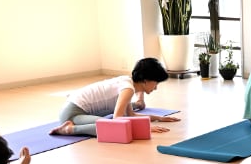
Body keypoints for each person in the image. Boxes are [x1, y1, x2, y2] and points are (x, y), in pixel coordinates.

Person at [50, 58, 180, 136]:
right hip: (72, 113)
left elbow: (130, 115)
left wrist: (158, 118)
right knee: (115, 127)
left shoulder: (128, 83)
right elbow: (117, 119)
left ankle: (71, 127)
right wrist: (146, 128)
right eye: (156, 83)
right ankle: (69, 129)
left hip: (76, 109)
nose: (156, 88)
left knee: (119, 122)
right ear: (145, 80)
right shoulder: (128, 89)